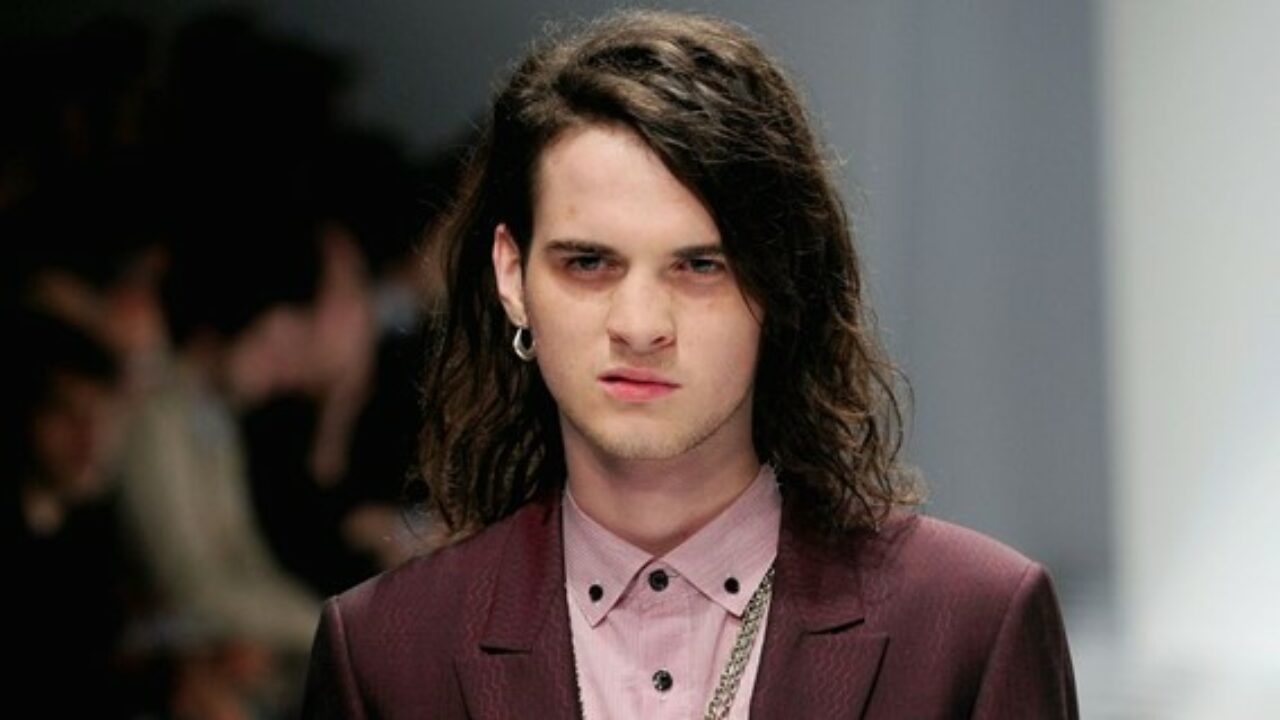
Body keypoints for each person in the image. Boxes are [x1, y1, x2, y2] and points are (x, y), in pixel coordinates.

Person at [302, 10, 1078, 719]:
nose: (641, 327)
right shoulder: (387, 655)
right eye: (588, 263)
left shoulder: (969, 626)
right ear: (512, 276)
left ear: (780, 282)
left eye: (700, 266)